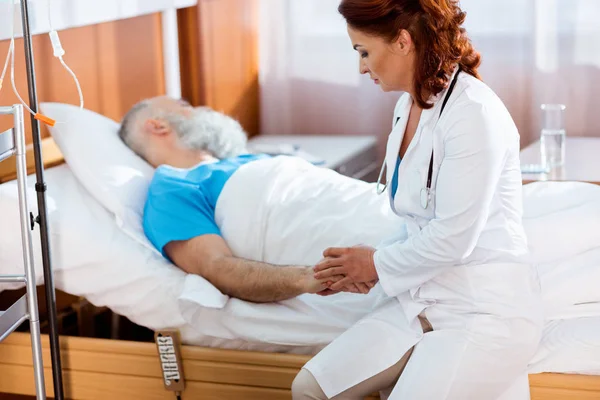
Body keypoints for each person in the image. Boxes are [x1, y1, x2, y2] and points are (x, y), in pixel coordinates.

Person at [291, 1, 543, 399]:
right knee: (309, 389)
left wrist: (373, 264)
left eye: (364, 52)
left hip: (482, 312)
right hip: (422, 300)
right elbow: (417, 223)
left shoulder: (473, 113)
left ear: (403, 42)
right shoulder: (407, 106)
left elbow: (452, 238)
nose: (361, 68)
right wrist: (358, 270)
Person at [117, 96, 375, 303]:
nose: (203, 109)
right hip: (364, 249)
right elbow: (216, 267)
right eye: (186, 106)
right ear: (157, 125)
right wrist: (307, 277)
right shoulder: (172, 187)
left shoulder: (246, 159)